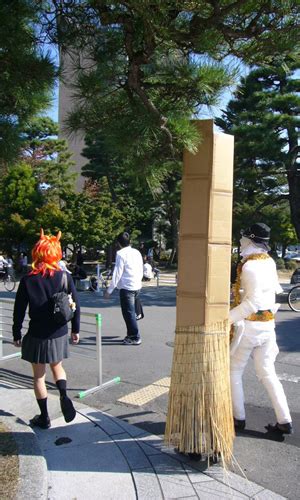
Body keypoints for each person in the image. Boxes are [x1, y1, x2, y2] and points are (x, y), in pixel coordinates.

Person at [12, 229, 80, 429]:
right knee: (57, 367)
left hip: (37, 334)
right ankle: (63, 394)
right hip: (59, 332)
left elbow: (19, 310)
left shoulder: (28, 280)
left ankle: (44, 417)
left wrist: (16, 333)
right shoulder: (64, 277)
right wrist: (75, 329)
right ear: (56, 253)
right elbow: (76, 304)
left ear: (37, 253)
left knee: (38, 376)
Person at [229, 223, 293, 434]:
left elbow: (253, 302)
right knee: (267, 372)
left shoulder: (250, 266)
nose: (240, 242)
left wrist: (226, 318)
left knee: (234, 370)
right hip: (268, 326)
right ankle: (284, 420)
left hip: (250, 327)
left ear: (250, 240)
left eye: (243, 239)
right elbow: (273, 292)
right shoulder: (269, 262)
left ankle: (238, 418)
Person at [104, 231, 143, 345]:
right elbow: (140, 268)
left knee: (128, 313)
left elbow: (117, 273)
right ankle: (131, 334)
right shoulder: (136, 252)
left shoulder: (120, 254)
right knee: (131, 312)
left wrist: (109, 290)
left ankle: (134, 337)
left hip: (127, 287)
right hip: (136, 285)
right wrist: (138, 281)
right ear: (129, 241)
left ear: (118, 243)